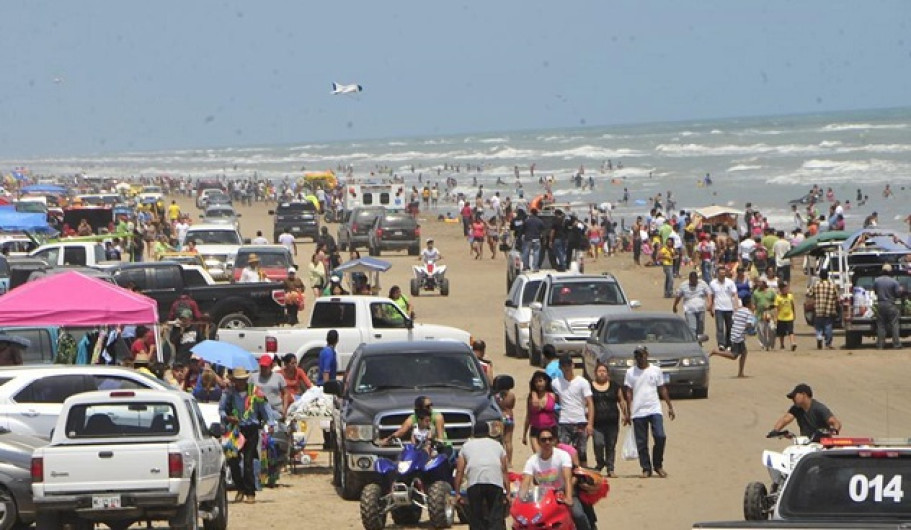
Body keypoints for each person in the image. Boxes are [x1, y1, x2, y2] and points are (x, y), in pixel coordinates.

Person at [519, 426, 591, 530]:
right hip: (543, 497)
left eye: (550, 439)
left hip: (563, 492)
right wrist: (520, 500)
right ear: (538, 442)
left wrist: (569, 497)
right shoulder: (532, 460)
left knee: (578, 514)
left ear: (554, 440)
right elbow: (526, 482)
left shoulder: (563, 456)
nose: (547, 442)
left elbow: (567, 478)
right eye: (543, 440)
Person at [219, 367, 272, 503]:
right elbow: (221, 410)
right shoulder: (229, 393)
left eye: (243, 380)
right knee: (233, 460)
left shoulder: (255, 392)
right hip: (235, 430)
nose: (240, 383)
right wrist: (228, 417)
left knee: (248, 461)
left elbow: (265, 408)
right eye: (238, 380)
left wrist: (270, 423)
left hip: (251, 429)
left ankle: (250, 492)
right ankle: (240, 488)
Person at [623, 346, 675, 478]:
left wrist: (669, 406)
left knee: (660, 436)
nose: (640, 358)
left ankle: (658, 465)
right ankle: (646, 468)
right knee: (642, 442)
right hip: (638, 411)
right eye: (638, 356)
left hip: (654, 408)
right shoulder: (630, 373)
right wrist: (628, 412)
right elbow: (628, 392)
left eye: (642, 355)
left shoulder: (655, 370)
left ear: (647, 355)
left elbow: (662, 388)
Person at [454, 422, 509, 530]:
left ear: (473, 433)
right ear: (488, 432)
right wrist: (508, 492)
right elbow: (504, 470)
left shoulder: (466, 446)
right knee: (496, 517)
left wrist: (457, 493)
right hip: (495, 481)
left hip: (475, 482)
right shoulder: (497, 445)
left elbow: (459, 471)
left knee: (476, 517)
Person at [552, 356, 594, 467]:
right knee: (563, 452)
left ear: (573, 365)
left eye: (568, 365)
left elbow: (590, 403)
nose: (566, 368)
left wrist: (590, 423)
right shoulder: (556, 383)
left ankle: (583, 477)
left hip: (580, 421)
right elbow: (554, 398)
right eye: (564, 366)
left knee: (581, 451)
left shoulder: (582, 382)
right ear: (560, 367)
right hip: (564, 421)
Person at [771, 383, 842, 439]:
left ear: (803, 395)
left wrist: (834, 430)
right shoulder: (796, 408)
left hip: (822, 444)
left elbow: (835, 422)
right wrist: (775, 430)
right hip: (806, 443)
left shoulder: (818, 408)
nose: (792, 399)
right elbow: (786, 418)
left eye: (794, 396)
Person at [590, 362, 624, 477]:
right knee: (598, 444)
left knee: (611, 445)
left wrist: (626, 414)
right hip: (596, 423)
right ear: (595, 373)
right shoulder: (590, 386)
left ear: (608, 373)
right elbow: (586, 403)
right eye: (599, 371)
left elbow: (621, 400)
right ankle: (600, 462)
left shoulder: (614, 385)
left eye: (604, 371)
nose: (602, 373)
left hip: (612, 422)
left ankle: (610, 468)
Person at [710, 296, 755, 377]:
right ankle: (716, 352)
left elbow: (733, 319)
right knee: (734, 355)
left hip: (734, 333)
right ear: (749, 304)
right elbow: (748, 324)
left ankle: (740, 372)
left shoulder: (738, 310)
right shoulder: (749, 313)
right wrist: (750, 327)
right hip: (739, 336)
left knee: (744, 352)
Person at [383, 396, 447, 446]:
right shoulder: (413, 418)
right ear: (419, 408)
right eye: (427, 406)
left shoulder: (438, 417)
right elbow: (401, 432)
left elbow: (440, 437)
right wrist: (388, 439)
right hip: (420, 447)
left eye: (431, 405)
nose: (430, 408)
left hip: (439, 447)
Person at [522, 371, 558, 452]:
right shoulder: (531, 398)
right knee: (538, 456)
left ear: (546, 381)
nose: (539, 384)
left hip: (551, 429)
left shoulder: (552, 395)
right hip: (536, 430)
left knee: (551, 454)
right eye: (536, 382)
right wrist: (524, 434)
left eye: (540, 381)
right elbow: (528, 416)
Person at [874, 263, 903, 349]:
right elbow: (898, 294)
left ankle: (880, 345)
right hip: (890, 304)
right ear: (890, 271)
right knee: (894, 324)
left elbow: (875, 292)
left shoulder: (877, 280)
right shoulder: (894, 281)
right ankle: (896, 344)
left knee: (881, 325)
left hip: (880, 304)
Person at [708, 267, 738, 351]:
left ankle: (729, 344)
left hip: (729, 308)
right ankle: (721, 344)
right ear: (717, 274)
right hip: (718, 308)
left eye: (724, 273)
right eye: (721, 273)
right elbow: (711, 295)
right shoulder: (713, 283)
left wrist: (736, 306)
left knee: (730, 327)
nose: (723, 275)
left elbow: (735, 294)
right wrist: (710, 306)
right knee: (720, 327)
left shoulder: (730, 282)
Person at [807, 269, 839, 350]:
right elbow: (837, 297)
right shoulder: (832, 285)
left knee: (818, 326)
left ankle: (819, 337)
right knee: (828, 326)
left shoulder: (816, 285)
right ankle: (828, 343)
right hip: (829, 309)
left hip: (818, 309)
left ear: (820, 276)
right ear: (827, 276)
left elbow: (809, 294)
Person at [673, 271, 711, 336]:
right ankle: (693, 343)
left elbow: (708, 293)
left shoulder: (702, 284)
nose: (693, 282)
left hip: (701, 309)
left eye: (695, 280)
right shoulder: (683, 285)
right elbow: (678, 296)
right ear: (689, 279)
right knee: (692, 327)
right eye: (692, 280)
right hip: (689, 310)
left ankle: (699, 342)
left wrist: (710, 304)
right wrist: (675, 305)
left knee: (700, 327)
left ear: (697, 279)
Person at [254, 354, 288, 419]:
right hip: (259, 410)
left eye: (266, 367)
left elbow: (285, 393)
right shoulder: (253, 377)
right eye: (262, 366)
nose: (263, 369)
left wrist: (284, 409)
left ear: (271, 366)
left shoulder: (279, 377)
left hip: (276, 408)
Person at [752, 278, 777, 351]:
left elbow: (775, 302)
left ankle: (770, 344)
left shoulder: (771, 292)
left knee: (771, 329)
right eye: (758, 282)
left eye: (760, 282)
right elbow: (754, 303)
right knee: (761, 330)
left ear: (764, 283)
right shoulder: (756, 292)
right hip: (759, 314)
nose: (759, 284)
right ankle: (763, 345)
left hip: (769, 313)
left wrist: (770, 305)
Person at [774, 281, 797, 351]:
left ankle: (793, 343)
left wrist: (794, 314)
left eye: (786, 288)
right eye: (784, 288)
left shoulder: (790, 296)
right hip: (781, 317)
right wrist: (775, 317)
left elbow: (793, 306)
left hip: (789, 317)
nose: (785, 289)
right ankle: (782, 344)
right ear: (781, 289)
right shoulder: (778, 297)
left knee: (791, 331)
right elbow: (776, 308)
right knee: (781, 333)